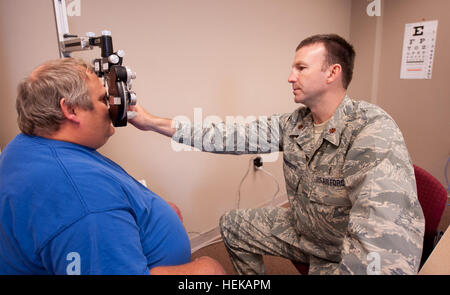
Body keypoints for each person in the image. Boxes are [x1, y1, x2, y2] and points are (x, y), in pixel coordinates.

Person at [127, 34, 425, 275]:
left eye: (301, 68)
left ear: (333, 73)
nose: (290, 77)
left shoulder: (371, 130)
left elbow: (383, 249)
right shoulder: (294, 123)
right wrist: (153, 122)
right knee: (233, 224)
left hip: (343, 248)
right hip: (305, 231)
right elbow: (225, 134)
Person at [0, 58, 226, 275]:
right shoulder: (84, 200)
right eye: (102, 99)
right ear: (71, 110)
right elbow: (88, 211)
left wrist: (153, 215)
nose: (112, 108)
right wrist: (206, 269)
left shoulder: (25, 148)